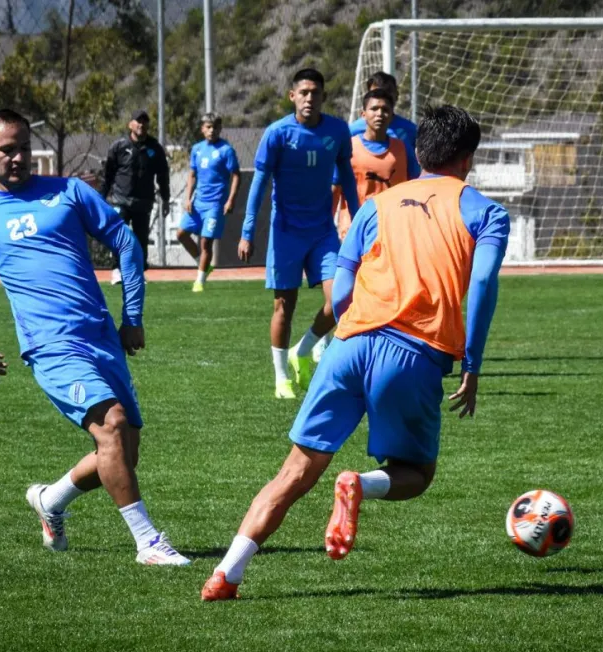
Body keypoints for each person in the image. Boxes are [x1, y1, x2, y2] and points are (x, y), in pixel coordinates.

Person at [202, 105, 510, 601]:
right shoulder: (486, 212)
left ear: (418, 152)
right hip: (413, 352)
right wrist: (472, 364)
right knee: (416, 474)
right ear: (467, 159)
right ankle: (359, 485)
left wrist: (352, 332)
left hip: (348, 344)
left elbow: (341, 290)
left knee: (294, 471)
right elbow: (483, 283)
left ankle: (226, 574)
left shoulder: (376, 206)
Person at [0, 108, 189, 566]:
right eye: (7, 149)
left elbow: (124, 242)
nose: (18, 157)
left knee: (123, 452)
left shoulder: (69, 192)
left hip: (100, 336)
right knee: (112, 425)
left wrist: (133, 315)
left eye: (24, 148)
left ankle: (51, 500)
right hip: (49, 345)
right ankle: (148, 542)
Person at [240, 68, 360, 400]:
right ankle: (281, 378)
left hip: (322, 232)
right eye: (303, 92)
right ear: (292, 96)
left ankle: (303, 350)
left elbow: (347, 178)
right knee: (284, 305)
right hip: (286, 233)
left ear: (323, 97)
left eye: (315, 92)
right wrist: (247, 231)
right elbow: (259, 183)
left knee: (343, 298)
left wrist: (359, 219)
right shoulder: (277, 133)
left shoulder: (337, 130)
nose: (309, 98)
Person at [333, 87, 420, 239]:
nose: (379, 114)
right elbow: (335, 188)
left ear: (392, 115)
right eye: (374, 109)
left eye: (385, 109)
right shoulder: (348, 148)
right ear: (363, 114)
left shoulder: (402, 149)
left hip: (393, 230)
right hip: (355, 230)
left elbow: (416, 185)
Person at [100, 109, 170, 284]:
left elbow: (163, 175)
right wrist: (101, 198)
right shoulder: (119, 146)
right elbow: (108, 175)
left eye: (145, 121)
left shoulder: (155, 148)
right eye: (138, 121)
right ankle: (117, 270)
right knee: (119, 235)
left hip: (143, 202)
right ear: (130, 124)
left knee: (141, 239)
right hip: (120, 200)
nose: (141, 124)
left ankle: (138, 272)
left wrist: (166, 199)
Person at [178, 113, 241, 293]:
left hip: (215, 205)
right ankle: (203, 263)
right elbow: (192, 174)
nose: (212, 130)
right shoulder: (197, 149)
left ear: (220, 129)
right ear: (202, 129)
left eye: (215, 127)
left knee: (206, 242)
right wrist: (188, 198)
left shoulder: (226, 150)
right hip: (197, 203)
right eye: (208, 127)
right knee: (181, 234)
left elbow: (236, 175)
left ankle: (199, 281)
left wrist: (230, 200)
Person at [348, 72, 418, 153]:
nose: (382, 99)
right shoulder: (352, 131)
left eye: (387, 94)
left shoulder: (412, 131)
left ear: (396, 95)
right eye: (376, 94)